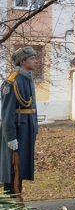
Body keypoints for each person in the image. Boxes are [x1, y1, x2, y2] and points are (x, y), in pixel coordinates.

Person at [1, 47, 39, 195]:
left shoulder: (26, 78)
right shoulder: (12, 82)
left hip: (26, 128)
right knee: (12, 167)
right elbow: (7, 111)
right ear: (22, 62)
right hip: (17, 130)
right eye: (32, 58)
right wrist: (10, 135)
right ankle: (11, 201)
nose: (36, 61)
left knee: (21, 166)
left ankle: (18, 197)